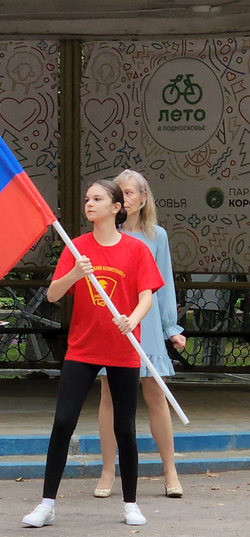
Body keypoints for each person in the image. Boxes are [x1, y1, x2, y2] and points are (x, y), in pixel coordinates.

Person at [22, 180, 164, 529]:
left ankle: (131, 503)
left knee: (125, 428)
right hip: (83, 348)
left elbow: (147, 295)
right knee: (63, 422)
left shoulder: (136, 250)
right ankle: (47, 504)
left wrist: (132, 318)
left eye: (97, 199)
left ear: (116, 208)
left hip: (123, 348)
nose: (89, 204)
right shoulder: (77, 247)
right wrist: (75, 272)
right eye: (87, 198)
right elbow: (54, 294)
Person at [95, 170, 187, 499]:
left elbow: (163, 285)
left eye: (131, 193)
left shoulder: (156, 236)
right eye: (119, 193)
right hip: (115, 325)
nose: (125, 198)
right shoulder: (104, 235)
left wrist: (170, 329)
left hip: (145, 325)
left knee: (156, 395)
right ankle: (108, 471)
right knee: (109, 399)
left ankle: (170, 471)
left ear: (143, 198)